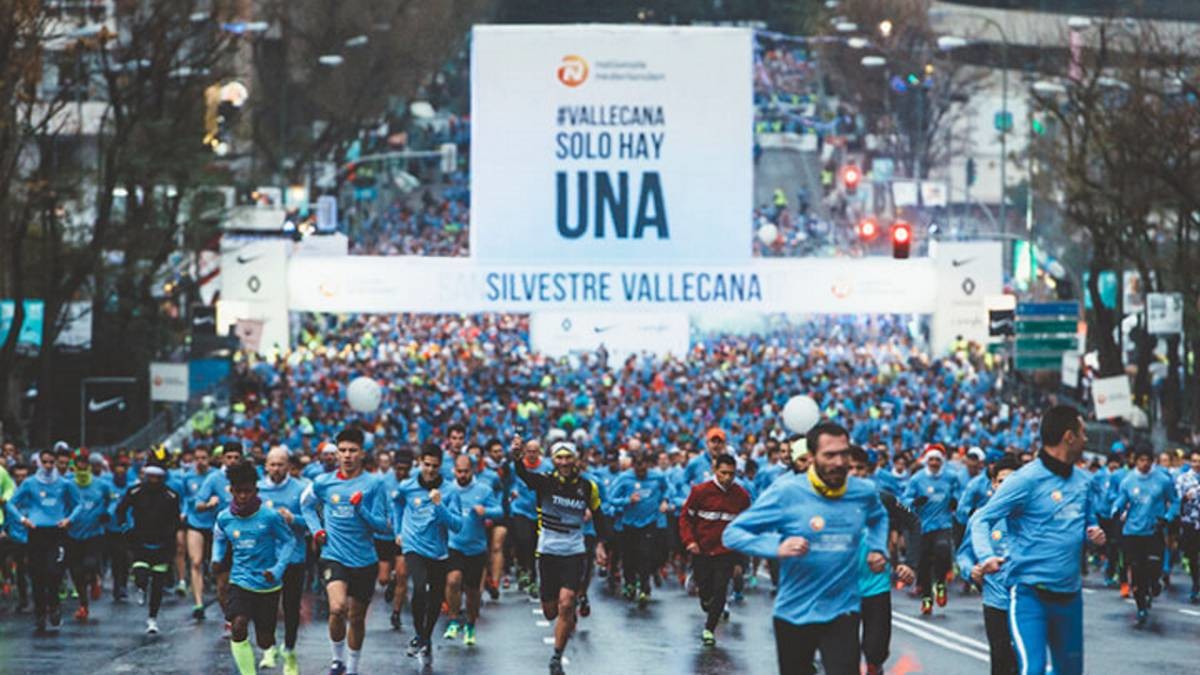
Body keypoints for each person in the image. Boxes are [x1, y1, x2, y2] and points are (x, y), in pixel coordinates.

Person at [724, 422, 888, 675]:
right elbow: (733, 534)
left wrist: (878, 548)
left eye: (844, 454)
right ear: (811, 457)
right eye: (829, 455)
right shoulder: (787, 492)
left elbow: (879, 517)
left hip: (842, 610)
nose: (839, 462)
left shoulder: (863, 492)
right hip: (795, 612)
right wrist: (777, 546)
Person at [973, 405, 1107, 675]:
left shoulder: (1084, 482)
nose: (1086, 439)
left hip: (1069, 597)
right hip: (1030, 595)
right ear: (1069, 437)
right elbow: (981, 519)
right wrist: (986, 556)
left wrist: (1095, 533)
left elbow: (1088, 522)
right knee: (1032, 668)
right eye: (1083, 433)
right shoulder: (1025, 480)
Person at [511, 437, 606, 675]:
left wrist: (601, 545)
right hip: (548, 552)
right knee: (551, 611)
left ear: (575, 460)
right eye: (560, 458)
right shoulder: (544, 482)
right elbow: (523, 474)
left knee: (567, 602)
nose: (564, 462)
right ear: (553, 461)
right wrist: (516, 456)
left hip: (574, 552)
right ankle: (566, 617)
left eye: (568, 458)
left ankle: (556, 656)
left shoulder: (588, 487)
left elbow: (599, 516)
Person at [300, 427, 391, 675]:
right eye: (343, 450)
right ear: (337, 453)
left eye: (352, 450)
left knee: (357, 617)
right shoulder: (323, 483)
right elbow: (306, 506)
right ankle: (336, 660)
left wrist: (361, 510)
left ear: (362, 453)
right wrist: (317, 530)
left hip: (364, 559)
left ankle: (352, 667)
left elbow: (383, 525)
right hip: (334, 556)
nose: (347, 455)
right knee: (337, 608)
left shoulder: (375, 484)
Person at [215, 461, 297, 675]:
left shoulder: (270, 516)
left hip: (267, 584)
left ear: (255, 490)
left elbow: (289, 541)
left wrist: (278, 569)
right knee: (238, 625)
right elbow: (219, 539)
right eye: (238, 492)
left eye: (247, 491)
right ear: (231, 491)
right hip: (240, 580)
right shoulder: (224, 517)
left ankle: (283, 652)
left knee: (264, 640)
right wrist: (216, 558)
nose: (243, 496)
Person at [850, 445, 917, 675]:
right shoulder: (827, 501)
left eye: (860, 468)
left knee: (875, 651)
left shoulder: (883, 498)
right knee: (844, 654)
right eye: (850, 468)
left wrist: (910, 563)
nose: (855, 473)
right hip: (841, 589)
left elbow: (913, 522)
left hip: (875, 586)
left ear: (868, 470)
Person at [393, 443, 462, 666]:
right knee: (419, 587)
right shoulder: (407, 486)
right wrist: (398, 531)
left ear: (440, 466)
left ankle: (425, 638)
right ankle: (419, 636)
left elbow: (457, 525)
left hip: (438, 551)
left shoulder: (450, 490)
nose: (430, 470)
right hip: (413, 546)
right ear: (420, 463)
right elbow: (397, 504)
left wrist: (439, 505)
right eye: (427, 465)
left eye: (435, 466)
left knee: (435, 597)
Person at [958, 455, 1022, 675]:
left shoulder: (1031, 517)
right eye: (1001, 481)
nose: (1006, 487)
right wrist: (971, 570)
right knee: (1001, 659)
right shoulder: (981, 518)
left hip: (1027, 600)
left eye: (1012, 482)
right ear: (993, 484)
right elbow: (964, 555)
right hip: (995, 600)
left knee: (1024, 660)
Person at [678, 452, 751, 646]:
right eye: (723, 473)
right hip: (701, 550)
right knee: (705, 591)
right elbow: (686, 518)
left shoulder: (742, 496)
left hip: (726, 552)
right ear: (715, 470)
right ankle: (707, 602)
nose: (727, 478)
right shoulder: (700, 492)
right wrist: (690, 541)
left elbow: (745, 527)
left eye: (731, 474)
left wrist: (740, 559)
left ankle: (709, 629)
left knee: (721, 589)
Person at [8, 448, 81, 631]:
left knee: (54, 572)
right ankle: (40, 613)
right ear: (39, 463)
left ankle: (54, 605)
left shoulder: (64, 483)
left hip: (56, 533)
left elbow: (78, 504)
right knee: (37, 575)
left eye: (51, 462)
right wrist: (23, 519)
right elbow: (11, 503)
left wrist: (69, 519)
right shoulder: (30, 483)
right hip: (37, 532)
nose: (48, 466)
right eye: (45, 462)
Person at [1111, 445, 1179, 626]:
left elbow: (1174, 501)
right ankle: (1141, 606)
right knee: (1136, 570)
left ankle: (1154, 583)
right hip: (1133, 532)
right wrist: (1115, 509)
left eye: (1148, 460)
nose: (1145, 464)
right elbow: (1121, 500)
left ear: (1153, 461)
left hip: (1154, 531)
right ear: (1135, 461)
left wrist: (1167, 517)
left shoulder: (1163, 480)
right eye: (1141, 460)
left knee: (1154, 566)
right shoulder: (1128, 481)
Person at [116, 449, 182, 634]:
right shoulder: (135, 491)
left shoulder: (171, 495)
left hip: (162, 545)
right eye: (150, 476)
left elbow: (176, 519)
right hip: (140, 542)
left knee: (158, 584)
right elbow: (121, 510)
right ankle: (141, 587)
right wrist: (126, 528)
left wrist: (171, 535)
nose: (153, 480)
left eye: (157, 477)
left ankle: (152, 618)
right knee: (141, 576)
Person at [258, 446, 310, 675]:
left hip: (294, 557)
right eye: (272, 464)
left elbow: (313, 521)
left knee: (291, 606)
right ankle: (268, 647)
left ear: (288, 466)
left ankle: (289, 649)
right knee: (265, 604)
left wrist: (293, 518)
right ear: (266, 466)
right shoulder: (257, 489)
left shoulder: (301, 489)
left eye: (281, 464)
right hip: (266, 557)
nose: (276, 469)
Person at [444, 453, 502, 645]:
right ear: (454, 470)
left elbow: (500, 511)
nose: (462, 475)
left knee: (472, 591)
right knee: (453, 580)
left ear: (473, 470)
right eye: (459, 471)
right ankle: (453, 620)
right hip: (454, 545)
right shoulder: (448, 489)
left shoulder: (483, 490)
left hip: (476, 548)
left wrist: (486, 511)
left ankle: (470, 624)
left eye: (466, 471)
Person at [904, 445, 961, 615]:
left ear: (942, 461)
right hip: (922, 526)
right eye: (931, 459)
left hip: (943, 524)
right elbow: (905, 498)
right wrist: (914, 502)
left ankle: (941, 582)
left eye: (937, 460)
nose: (934, 463)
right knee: (923, 564)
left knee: (942, 549)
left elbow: (960, 492)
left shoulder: (951, 477)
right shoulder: (917, 479)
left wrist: (956, 501)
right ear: (926, 461)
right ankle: (927, 598)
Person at [610, 451, 671, 607]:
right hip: (629, 524)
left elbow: (668, 489)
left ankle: (644, 587)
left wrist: (665, 501)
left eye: (643, 465)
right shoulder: (624, 478)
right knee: (629, 557)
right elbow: (611, 498)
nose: (641, 469)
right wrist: (627, 500)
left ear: (648, 465)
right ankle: (630, 583)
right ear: (632, 465)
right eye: (637, 465)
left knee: (646, 554)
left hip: (649, 522)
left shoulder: (657, 477)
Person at [197, 443, 245, 630]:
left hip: (247, 535)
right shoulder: (214, 478)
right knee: (223, 584)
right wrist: (209, 504)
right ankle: (229, 619)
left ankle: (243, 617)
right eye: (229, 457)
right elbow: (198, 504)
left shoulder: (249, 477)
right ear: (222, 458)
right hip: (222, 537)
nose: (232, 461)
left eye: (236, 457)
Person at [65, 450, 115, 622]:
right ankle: (83, 605)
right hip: (73, 533)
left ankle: (94, 579)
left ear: (89, 466)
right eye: (78, 465)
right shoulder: (68, 484)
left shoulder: (101, 485)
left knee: (90, 563)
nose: (82, 468)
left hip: (94, 533)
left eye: (84, 465)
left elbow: (112, 500)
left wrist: (108, 513)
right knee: (76, 571)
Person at [381, 447, 414, 630]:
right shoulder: (383, 482)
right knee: (382, 579)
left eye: (405, 469)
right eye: (399, 469)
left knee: (403, 574)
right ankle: (391, 581)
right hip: (385, 535)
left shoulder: (415, 483)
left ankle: (396, 613)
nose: (402, 473)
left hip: (404, 535)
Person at [182, 445, 216, 620]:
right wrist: (183, 512)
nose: (200, 462)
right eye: (197, 458)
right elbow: (184, 498)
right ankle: (198, 603)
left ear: (209, 459)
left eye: (204, 458)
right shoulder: (187, 477)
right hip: (195, 522)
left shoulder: (216, 476)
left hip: (215, 524)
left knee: (216, 564)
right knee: (195, 561)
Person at [1175, 449, 1200, 603]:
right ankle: (1195, 583)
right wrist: (1185, 497)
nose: (1197, 464)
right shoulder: (1183, 479)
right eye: (1195, 461)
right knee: (1192, 556)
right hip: (1190, 522)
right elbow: (1176, 500)